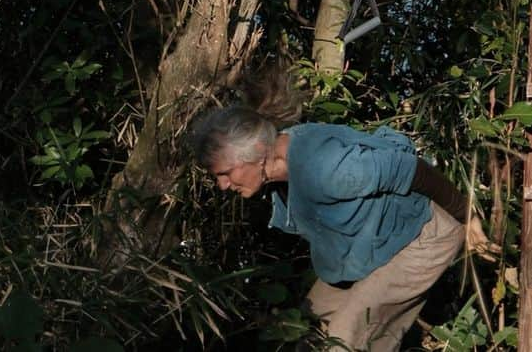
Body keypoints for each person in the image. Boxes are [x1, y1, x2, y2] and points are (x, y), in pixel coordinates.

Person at [190, 101, 498, 351]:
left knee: (345, 338)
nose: (222, 185)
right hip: (371, 246)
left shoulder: (326, 167)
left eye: (225, 173)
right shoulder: (278, 161)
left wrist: (467, 216)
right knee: (310, 328)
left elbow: (412, 169)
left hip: (422, 236)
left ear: (257, 152)